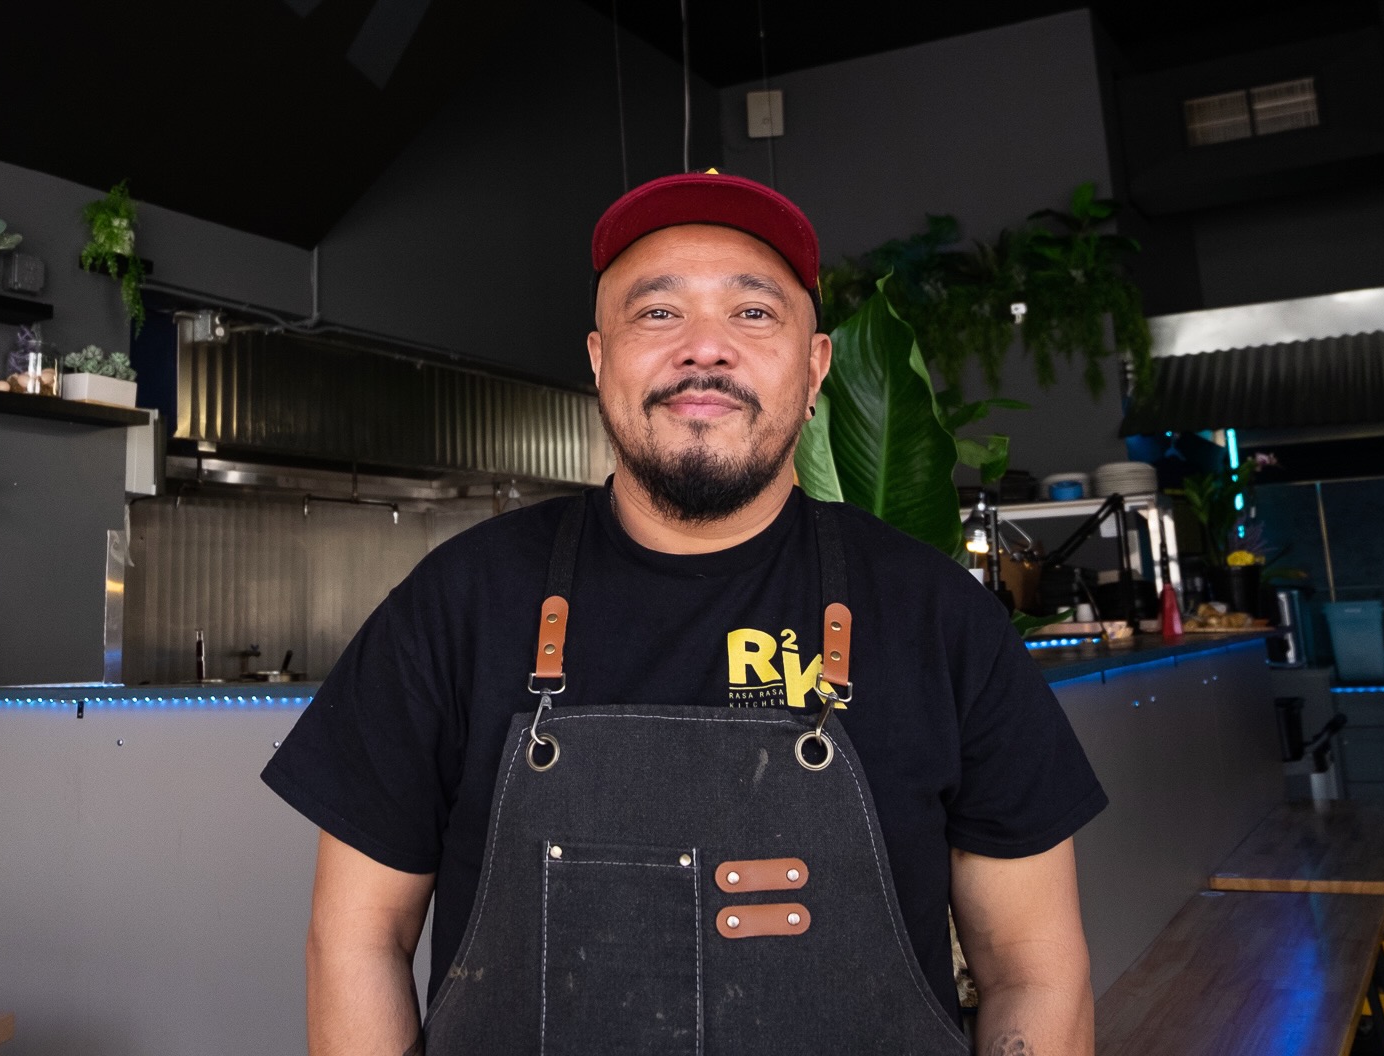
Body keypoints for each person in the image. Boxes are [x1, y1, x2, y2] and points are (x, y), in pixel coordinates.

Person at [263, 172, 1104, 1056]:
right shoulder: (456, 604)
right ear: (598, 360)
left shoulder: (937, 616)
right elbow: (357, 940)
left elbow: (1033, 970)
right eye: (658, 314)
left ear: (815, 367)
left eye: (753, 313)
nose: (706, 350)